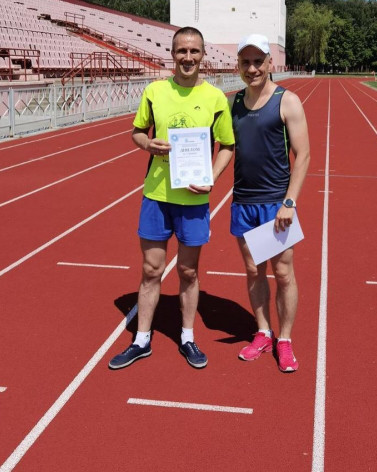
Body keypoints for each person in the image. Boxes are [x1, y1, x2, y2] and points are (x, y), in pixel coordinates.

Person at [109, 27, 234, 370]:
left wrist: (211, 178)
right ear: (173, 54)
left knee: (188, 271)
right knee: (151, 269)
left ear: (203, 55)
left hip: (193, 200)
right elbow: (137, 132)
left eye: (194, 51)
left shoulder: (215, 98)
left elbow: (227, 145)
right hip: (157, 195)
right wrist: (148, 144)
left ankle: (188, 336)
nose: (188, 58)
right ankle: (141, 339)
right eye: (181, 51)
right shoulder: (155, 91)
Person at [230, 34, 310, 372]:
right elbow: (223, 147)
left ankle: (285, 340)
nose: (252, 69)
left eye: (258, 62)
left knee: (283, 272)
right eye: (246, 62)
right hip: (243, 202)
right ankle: (263, 332)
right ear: (238, 65)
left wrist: (289, 202)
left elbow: (303, 155)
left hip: (275, 203)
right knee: (253, 270)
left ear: (269, 63)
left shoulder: (286, 101)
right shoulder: (234, 102)